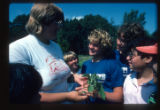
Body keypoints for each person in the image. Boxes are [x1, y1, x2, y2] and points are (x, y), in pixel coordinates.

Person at [9, 3, 88, 104]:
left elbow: (59, 76)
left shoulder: (56, 46)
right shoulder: (18, 49)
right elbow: (24, 96)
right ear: (43, 22)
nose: (60, 27)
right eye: (57, 23)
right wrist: (68, 96)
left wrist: (75, 77)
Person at [81, 29, 124, 104]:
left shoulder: (113, 65)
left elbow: (119, 97)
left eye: (95, 45)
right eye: (90, 43)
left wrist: (98, 94)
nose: (90, 46)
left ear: (103, 47)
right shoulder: (85, 65)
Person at [123, 37, 157, 104]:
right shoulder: (128, 79)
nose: (127, 58)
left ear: (147, 58)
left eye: (132, 55)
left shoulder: (155, 87)